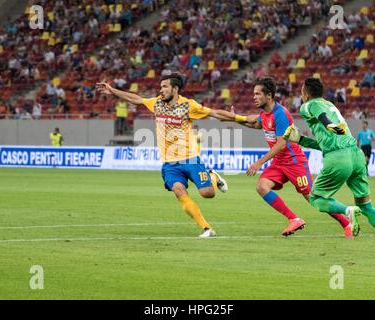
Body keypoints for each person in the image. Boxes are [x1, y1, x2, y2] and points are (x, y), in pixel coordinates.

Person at [96, 73, 238, 238]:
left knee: (208, 193)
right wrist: (113, 91)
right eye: (160, 87)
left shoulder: (188, 105)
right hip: (170, 164)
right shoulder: (157, 103)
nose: (161, 90)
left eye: (164, 87)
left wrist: (236, 117)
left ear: (175, 88)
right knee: (179, 190)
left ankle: (213, 176)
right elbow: (136, 99)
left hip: (190, 158)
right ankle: (206, 228)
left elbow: (214, 113)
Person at [284, 77, 375, 256]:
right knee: (366, 205)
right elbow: (325, 142)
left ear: (306, 93)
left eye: (301, 91)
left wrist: (329, 126)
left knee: (316, 198)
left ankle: (347, 211)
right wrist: (300, 140)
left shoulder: (308, 105)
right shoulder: (331, 105)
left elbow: (323, 119)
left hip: (338, 158)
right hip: (356, 155)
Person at [226, 77, 351, 237]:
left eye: (257, 94)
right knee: (261, 187)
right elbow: (256, 124)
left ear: (269, 95)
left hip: (294, 162)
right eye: (254, 94)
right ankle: (294, 219)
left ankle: (346, 222)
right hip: (279, 162)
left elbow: (281, 144)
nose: (254, 97)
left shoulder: (281, 114)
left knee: (314, 198)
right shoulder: (265, 113)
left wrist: (259, 163)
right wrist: (237, 120)